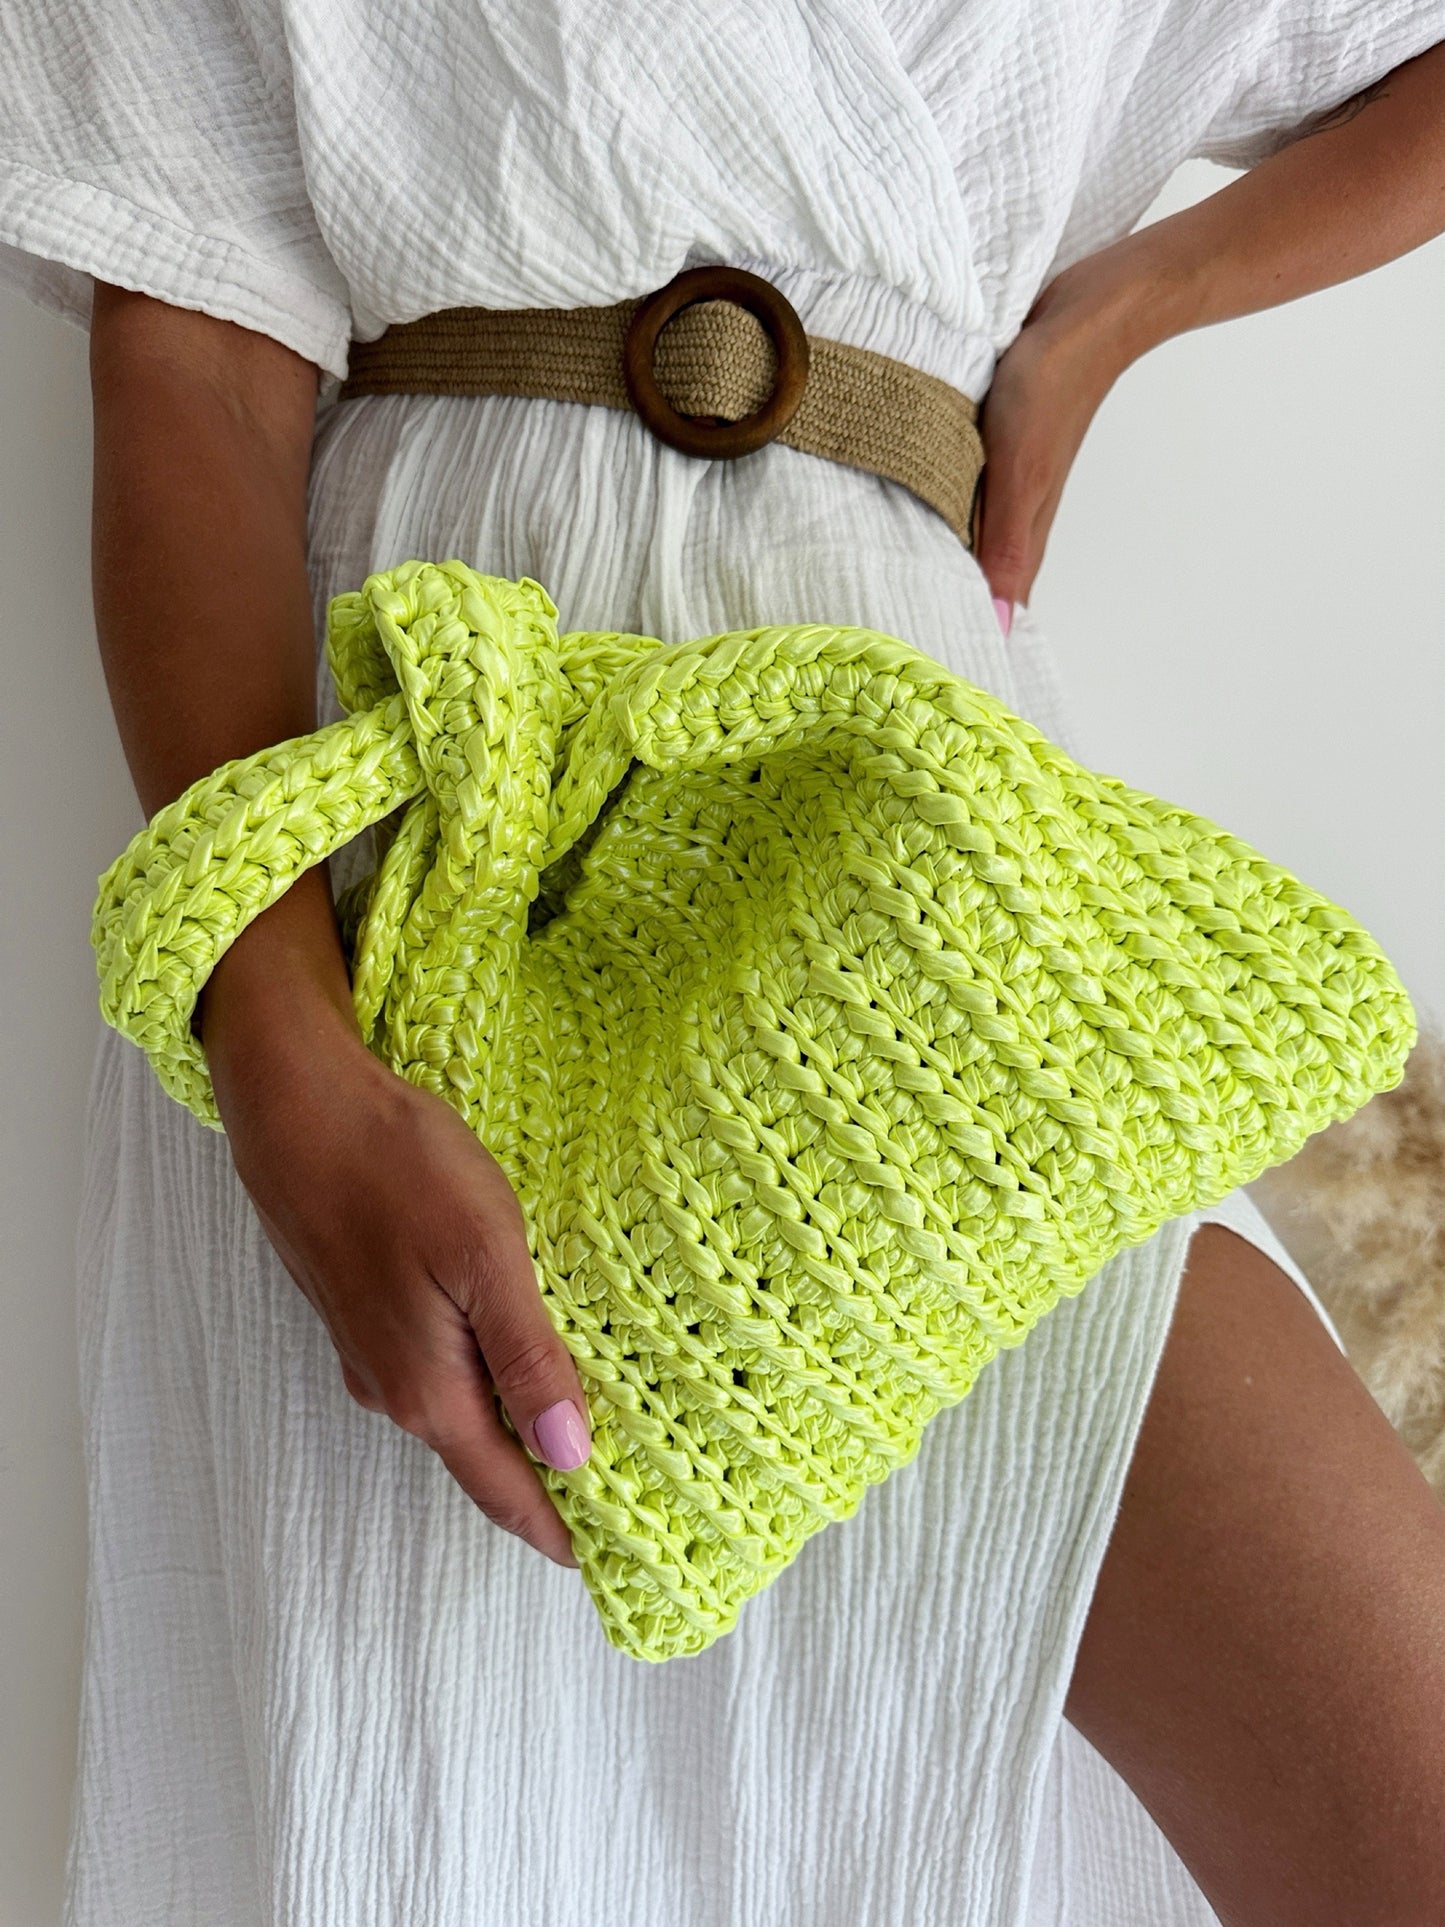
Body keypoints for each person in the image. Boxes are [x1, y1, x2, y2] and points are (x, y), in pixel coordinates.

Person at [3, 3, 1445, 1921]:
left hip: (915, 816)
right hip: (428, 853)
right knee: (459, 1790)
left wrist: (1125, 305)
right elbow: (194, 363)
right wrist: (282, 1055)